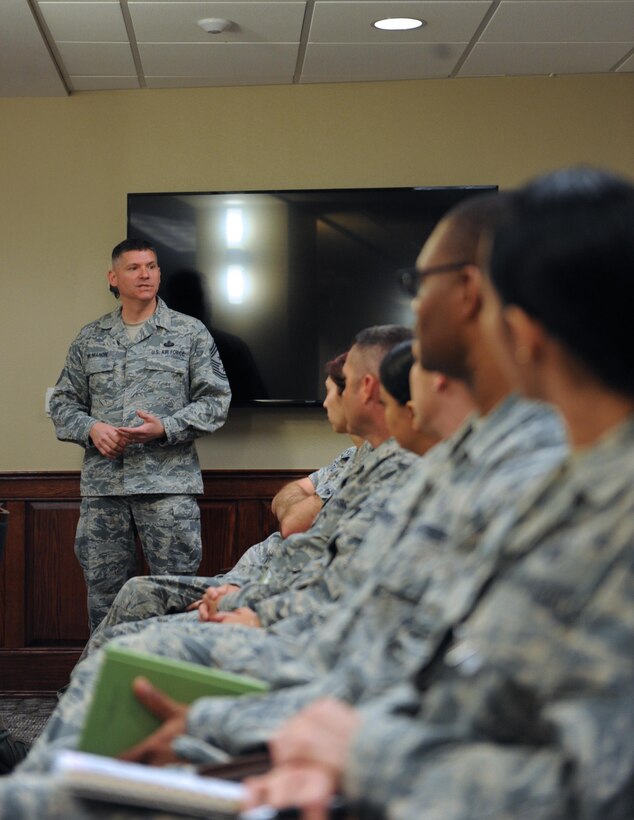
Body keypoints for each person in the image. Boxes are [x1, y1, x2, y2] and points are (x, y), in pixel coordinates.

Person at [242, 167, 634, 818]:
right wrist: (331, 758)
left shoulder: (589, 493)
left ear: (520, 326)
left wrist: (364, 755)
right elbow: (447, 678)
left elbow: (599, 791)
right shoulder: (569, 482)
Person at [49, 239, 232, 631]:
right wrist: (92, 428)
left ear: (159, 274)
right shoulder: (90, 337)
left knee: (176, 596)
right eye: (133, 268)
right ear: (114, 278)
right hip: (104, 492)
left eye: (151, 266)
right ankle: (106, 669)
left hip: (167, 488)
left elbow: (216, 401)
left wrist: (165, 427)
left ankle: (170, 669)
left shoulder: (189, 333)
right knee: (105, 599)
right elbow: (62, 403)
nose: (145, 274)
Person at [272, 352, 360, 538]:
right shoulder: (350, 455)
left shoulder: (370, 463)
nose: (325, 403)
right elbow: (281, 498)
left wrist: (295, 508)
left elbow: (291, 524)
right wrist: (299, 505)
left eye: (329, 392)